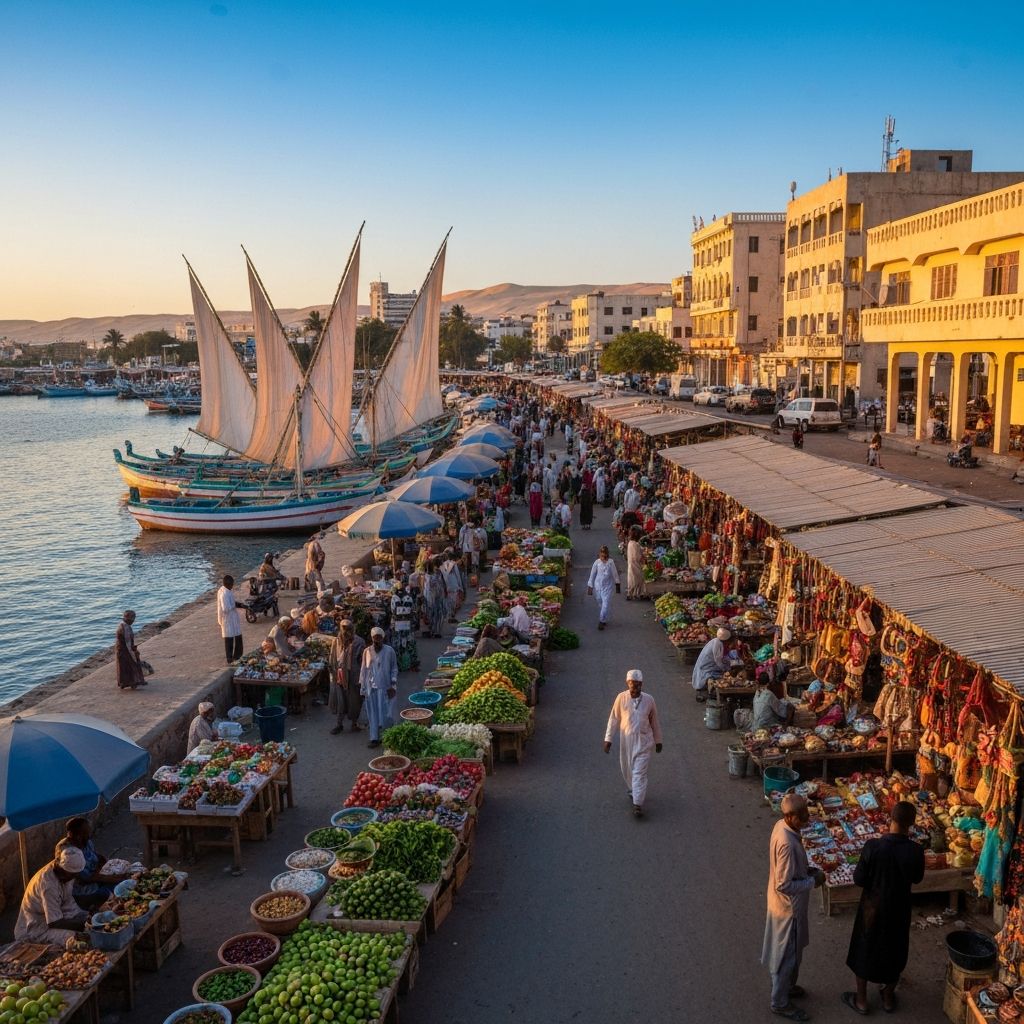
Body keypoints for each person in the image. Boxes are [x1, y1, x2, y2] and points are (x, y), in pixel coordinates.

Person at [843, 801, 925, 1015]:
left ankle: (861, 1000)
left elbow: (859, 879)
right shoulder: (916, 851)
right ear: (912, 824)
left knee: (864, 948)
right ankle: (888, 997)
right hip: (899, 909)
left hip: (872, 908)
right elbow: (917, 878)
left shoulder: (873, 846)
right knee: (895, 950)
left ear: (891, 818)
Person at [762, 793, 825, 1021]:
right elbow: (784, 884)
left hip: (786, 906)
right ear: (790, 817)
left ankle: (787, 986)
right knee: (787, 956)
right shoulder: (787, 844)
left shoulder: (782, 827)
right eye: (803, 816)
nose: (807, 819)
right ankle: (779, 1001)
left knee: (791, 952)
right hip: (788, 909)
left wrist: (806, 871)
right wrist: (812, 881)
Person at [603, 669, 663, 818]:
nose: (634, 688)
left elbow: (654, 721)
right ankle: (634, 790)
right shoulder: (621, 698)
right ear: (627, 683)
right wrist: (608, 739)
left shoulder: (649, 700)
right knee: (627, 769)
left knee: (639, 773)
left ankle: (637, 804)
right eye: (631, 685)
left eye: (637, 685)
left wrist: (658, 740)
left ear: (641, 684)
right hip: (626, 741)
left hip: (644, 742)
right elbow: (613, 719)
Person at [14, 847, 89, 948]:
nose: (74, 878)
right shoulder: (48, 885)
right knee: (74, 938)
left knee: (88, 921)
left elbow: (68, 902)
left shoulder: (66, 871)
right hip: (36, 928)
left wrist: (86, 918)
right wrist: (81, 925)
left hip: (56, 916)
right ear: (63, 869)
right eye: (72, 875)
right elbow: (54, 922)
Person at [55, 817, 122, 909]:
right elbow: (87, 878)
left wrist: (105, 864)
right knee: (119, 891)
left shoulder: (86, 842)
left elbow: (97, 857)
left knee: (122, 880)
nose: (89, 835)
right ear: (78, 836)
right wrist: (115, 879)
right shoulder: (68, 852)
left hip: (99, 877)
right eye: (86, 833)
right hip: (85, 890)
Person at [360, 626, 398, 748]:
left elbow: (394, 668)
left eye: (379, 639)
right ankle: (374, 738)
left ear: (383, 638)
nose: (377, 641)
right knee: (372, 714)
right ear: (372, 639)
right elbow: (364, 669)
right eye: (375, 639)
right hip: (371, 688)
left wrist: (393, 684)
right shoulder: (367, 651)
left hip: (386, 687)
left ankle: (387, 737)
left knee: (387, 714)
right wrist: (363, 686)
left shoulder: (389, 651)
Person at [330, 619, 365, 735]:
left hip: (353, 675)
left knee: (354, 700)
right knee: (340, 700)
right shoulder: (336, 641)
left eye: (347, 629)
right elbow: (332, 656)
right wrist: (332, 670)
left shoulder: (359, 642)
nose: (345, 631)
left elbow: (363, 662)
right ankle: (339, 724)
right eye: (343, 628)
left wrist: (362, 678)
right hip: (339, 675)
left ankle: (354, 723)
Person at [691, 627, 732, 701]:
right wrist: (726, 669)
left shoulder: (715, 641)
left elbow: (721, 658)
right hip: (706, 668)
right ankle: (711, 692)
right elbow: (718, 660)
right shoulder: (718, 644)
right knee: (719, 676)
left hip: (705, 665)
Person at [587, 546, 621, 631]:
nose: (603, 557)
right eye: (602, 555)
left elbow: (615, 574)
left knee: (605, 604)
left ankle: (601, 621)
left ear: (607, 555)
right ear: (599, 555)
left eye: (605, 555)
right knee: (600, 603)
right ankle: (604, 618)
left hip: (608, 587)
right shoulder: (597, 563)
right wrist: (590, 586)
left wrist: (617, 584)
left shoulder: (610, 562)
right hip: (598, 587)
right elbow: (592, 575)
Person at [390, 579, 419, 669]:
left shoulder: (394, 598)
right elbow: (413, 610)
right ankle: (412, 663)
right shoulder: (409, 598)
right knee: (409, 643)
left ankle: (398, 664)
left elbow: (392, 610)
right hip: (407, 624)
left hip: (397, 625)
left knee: (397, 644)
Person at [217, 575, 245, 664]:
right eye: (232, 584)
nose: (233, 586)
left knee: (237, 636)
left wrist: (240, 605)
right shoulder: (224, 594)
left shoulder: (226, 590)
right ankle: (230, 659)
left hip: (232, 618)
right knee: (229, 639)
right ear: (228, 584)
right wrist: (235, 605)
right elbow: (226, 608)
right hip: (227, 619)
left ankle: (237, 656)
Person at [115, 610, 146, 690]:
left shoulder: (122, 625)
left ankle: (124, 683)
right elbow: (127, 642)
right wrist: (133, 652)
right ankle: (133, 682)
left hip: (121, 649)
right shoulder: (125, 628)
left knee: (124, 667)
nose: (133, 620)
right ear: (129, 618)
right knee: (131, 665)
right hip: (125, 650)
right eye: (133, 618)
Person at [421, 559, 447, 641]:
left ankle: (434, 631)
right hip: (434, 597)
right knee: (436, 615)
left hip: (432, 598)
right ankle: (435, 631)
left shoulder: (427, 575)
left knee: (433, 615)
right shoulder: (429, 575)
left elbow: (422, 587)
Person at [439, 549, 464, 621]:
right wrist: (460, 586)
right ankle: (452, 615)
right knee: (454, 601)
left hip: (447, 585)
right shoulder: (453, 564)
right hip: (454, 584)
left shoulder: (441, 566)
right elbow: (457, 576)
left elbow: (442, 577)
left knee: (448, 601)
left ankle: (449, 616)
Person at [625, 525, 647, 600]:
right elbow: (636, 556)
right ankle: (636, 594)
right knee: (638, 579)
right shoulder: (634, 544)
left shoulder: (631, 543)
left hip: (632, 564)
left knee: (633, 579)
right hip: (635, 564)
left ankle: (634, 594)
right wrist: (643, 558)